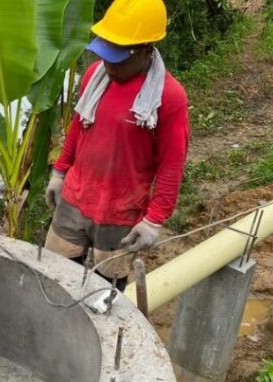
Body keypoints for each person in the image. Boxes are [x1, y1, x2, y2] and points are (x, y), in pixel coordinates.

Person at [44, 0, 190, 291]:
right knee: (53, 277)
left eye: (118, 58)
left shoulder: (168, 98)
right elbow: (78, 127)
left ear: (146, 50)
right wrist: (60, 173)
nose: (109, 65)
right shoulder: (94, 77)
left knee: (104, 292)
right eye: (106, 54)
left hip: (120, 211)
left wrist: (153, 220)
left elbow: (171, 165)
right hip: (75, 198)